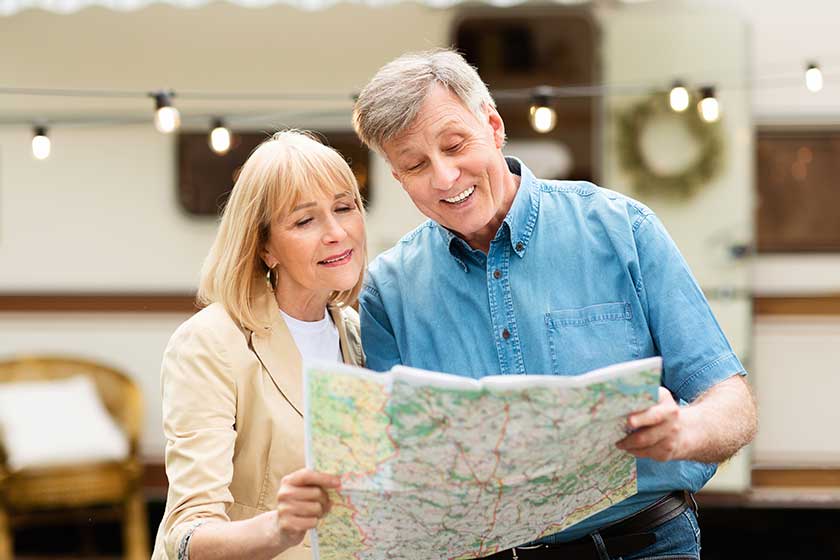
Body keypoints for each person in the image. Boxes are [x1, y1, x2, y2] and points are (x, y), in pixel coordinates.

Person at [353, 49, 757, 560]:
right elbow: (397, 472)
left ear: (494, 126)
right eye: (414, 165)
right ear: (396, 175)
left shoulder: (622, 230)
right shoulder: (389, 293)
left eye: (455, 146)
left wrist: (684, 430)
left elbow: (732, 405)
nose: (444, 177)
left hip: (644, 545)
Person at [151, 130, 367, 560]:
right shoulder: (208, 343)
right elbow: (187, 535)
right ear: (265, 246)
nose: (336, 232)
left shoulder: (357, 334)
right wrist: (279, 528)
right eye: (305, 220)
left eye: (344, 208)